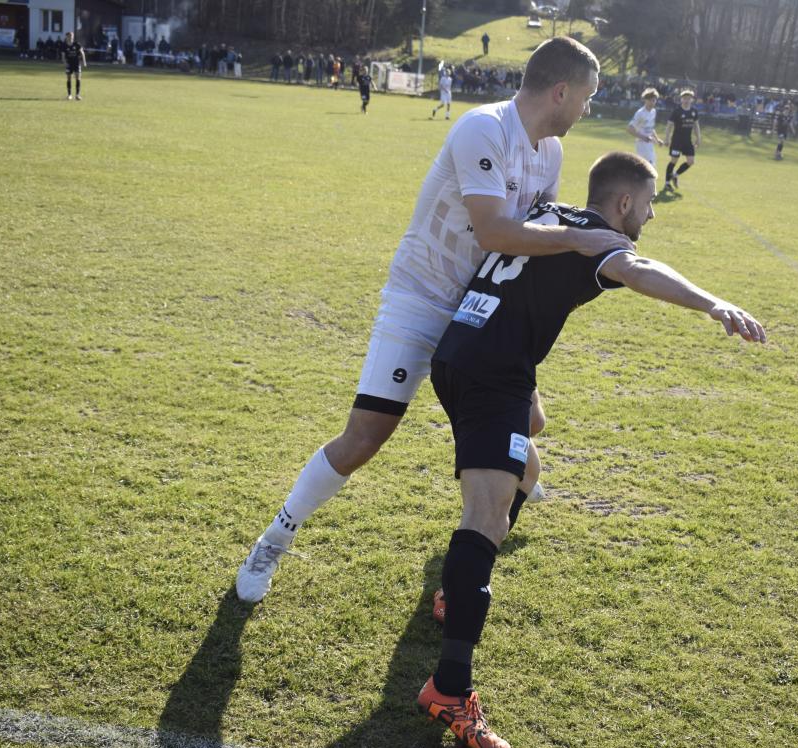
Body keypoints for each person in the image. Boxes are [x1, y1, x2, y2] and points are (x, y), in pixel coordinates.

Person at [235, 37, 632, 604]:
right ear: (561, 91)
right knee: (365, 437)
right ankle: (273, 540)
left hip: (479, 306)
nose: (588, 109)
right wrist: (578, 238)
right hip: (420, 297)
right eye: (587, 97)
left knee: (531, 421)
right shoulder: (483, 129)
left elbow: (534, 235)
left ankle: (515, 483)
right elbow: (495, 231)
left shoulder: (550, 153)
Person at [418, 151, 766, 748]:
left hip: (463, 351)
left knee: (530, 446)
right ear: (624, 202)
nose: (651, 215)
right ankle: (449, 688)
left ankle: (459, 587)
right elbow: (638, 268)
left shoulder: (554, 215)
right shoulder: (600, 238)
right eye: (648, 204)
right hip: (491, 375)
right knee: (486, 519)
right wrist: (713, 304)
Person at [663, 89, 701, 190]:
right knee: (674, 161)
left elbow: (696, 125)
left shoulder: (694, 111)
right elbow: (669, 125)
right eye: (684, 98)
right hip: (676, 141)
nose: (686, 100)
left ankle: (675, 175)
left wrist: (698, 138)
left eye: (689, 98)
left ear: (692, 100)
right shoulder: (677, 111)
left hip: (687, 141)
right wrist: (667, 138)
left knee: (691, 161)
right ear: (681, 99)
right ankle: (667, 183)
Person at [627, 88, 663, 190]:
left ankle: (638, 185)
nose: (653, 102)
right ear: (645, 100)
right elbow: (630, 129)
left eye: (654, 100)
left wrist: (657, 139)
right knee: (649, 166)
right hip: (641, 144)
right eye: (650, 100)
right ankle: (648, 189)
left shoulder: (653, 112)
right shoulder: (640, 113)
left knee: (647, 166)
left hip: (649, 143)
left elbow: (651, 129)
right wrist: (643, 137)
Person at [62, 31, 86, 100]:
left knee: (78, 78)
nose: (70, 37)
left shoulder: (77, 44)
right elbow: (63, 55)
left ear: (73, 37)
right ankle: (69, 95)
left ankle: (77, 95)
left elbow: (82, 53)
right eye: (69, 36)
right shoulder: (64, 45)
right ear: (66, 37)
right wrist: (65, 63)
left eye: (71, 36)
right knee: (68, 78)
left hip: (76, 63)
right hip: (69, 64)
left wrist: (84, 62)